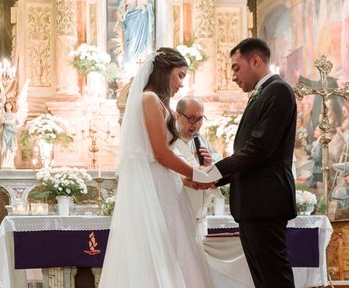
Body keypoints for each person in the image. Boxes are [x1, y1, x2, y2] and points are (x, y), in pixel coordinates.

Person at [99, 47, 214, 287]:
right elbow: (160, 153)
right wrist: (198, 174)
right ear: (165, 72)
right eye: (180, 75)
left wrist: (186, 179)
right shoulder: (149, 99)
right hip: (154, 187)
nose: (181, 83)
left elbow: (164, 154)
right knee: (160, 250)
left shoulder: (159, 102)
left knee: (175, 247)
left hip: (166, 184)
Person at [195, 38, 297, 288]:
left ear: (256, 61)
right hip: (255, 203)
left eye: (236, 67)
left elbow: (258, 149)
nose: (233, 76)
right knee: (263, 279)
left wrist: (213, 173)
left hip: (266, 201)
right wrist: (217, 177)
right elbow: (251, 153)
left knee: (274, 277)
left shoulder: (278, 90)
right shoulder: (261, 94)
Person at [173, 95, 222, 240]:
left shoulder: (200, 139)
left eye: (200, 118)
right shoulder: (169, 139)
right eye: (191, 118)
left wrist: (209, 165)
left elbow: (216, 163)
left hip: (199, 214)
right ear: (177, 115)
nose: (196, 124)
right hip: (177, 214)